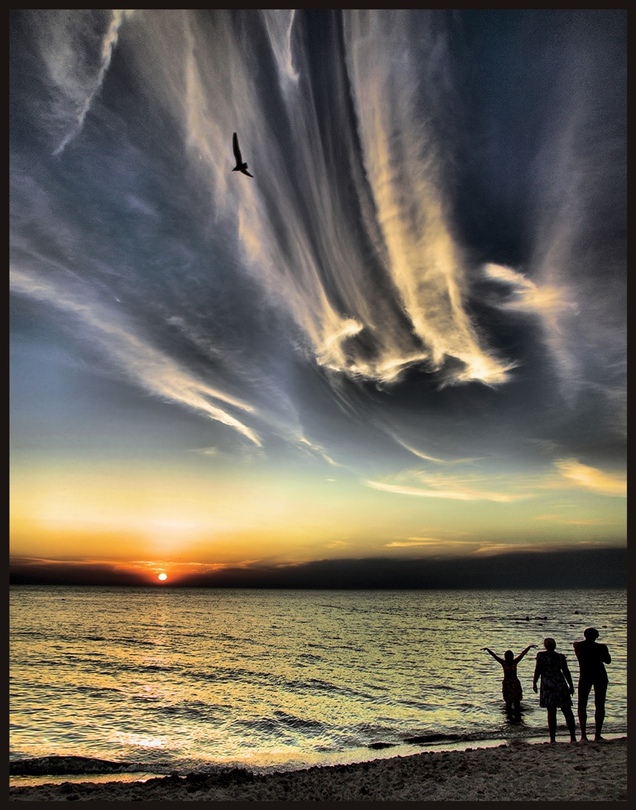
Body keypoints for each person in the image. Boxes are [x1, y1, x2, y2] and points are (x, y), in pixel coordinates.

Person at [532, 637, 577, 743]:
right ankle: (573, 737)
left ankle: (552, 738)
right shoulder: (560, 657)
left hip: (548, 685)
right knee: (567, 710)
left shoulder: (541, 656)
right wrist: (571, 685)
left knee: (551, 712)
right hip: (560, 684)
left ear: (545, 646)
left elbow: (538, 670)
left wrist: (534, 682)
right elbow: (566, 671)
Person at [573, 627, 611, 741]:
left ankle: (584, 735)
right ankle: (597, 734)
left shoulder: (578, 645)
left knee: (582, 704)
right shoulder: (601, 647)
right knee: (599, 704)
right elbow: (608, 660)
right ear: (596, 636)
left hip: (586, 675)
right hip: (599, 674)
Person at [482, 644, 537, 720]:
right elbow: (495, 657)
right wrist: (488, 650)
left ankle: (518, 718)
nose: (510, 658)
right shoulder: (503, 663)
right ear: (505, 657)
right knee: (508, 703)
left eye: (511, 656)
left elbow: (522, 654)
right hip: (507, 685)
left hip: (515, 684)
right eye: (508, 656)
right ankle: (509, 718)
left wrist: (529, 647)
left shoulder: (515, 662)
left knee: (517, 703)